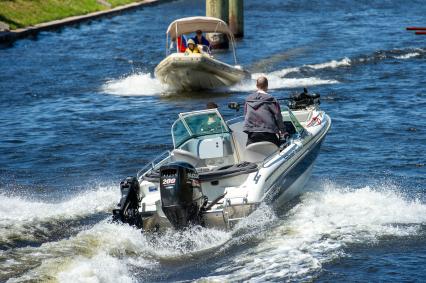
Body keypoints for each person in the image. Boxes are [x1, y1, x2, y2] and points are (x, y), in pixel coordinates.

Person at [243, 76, 287, 147]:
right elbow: (278, 117)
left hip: (252, 134)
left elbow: (245, 115)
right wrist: (283, 131)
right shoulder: (272, 100)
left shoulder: (247, 100)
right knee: (281, 147)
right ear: (267, 86)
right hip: (268, 134)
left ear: (256, 86)